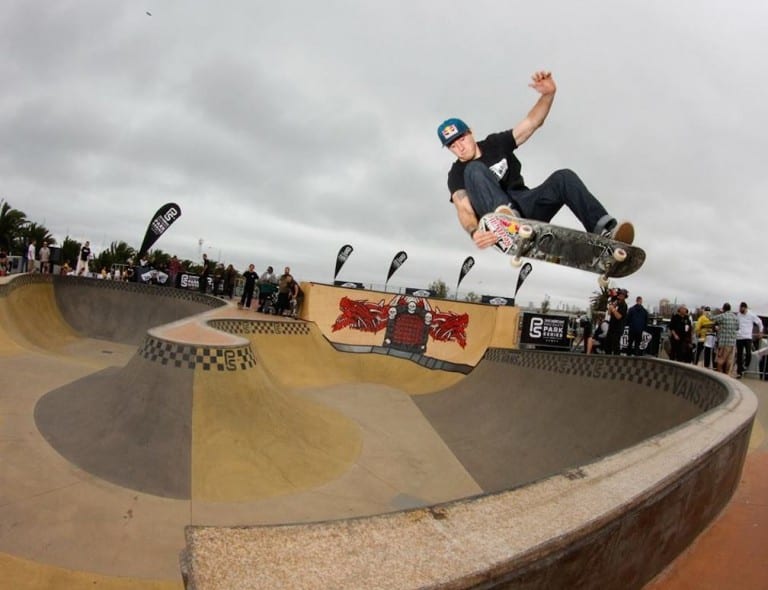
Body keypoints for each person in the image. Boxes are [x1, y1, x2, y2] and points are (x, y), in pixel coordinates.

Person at [438, 70, 633, 250]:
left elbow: (532, 123)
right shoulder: (457, 173)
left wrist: (548, 95)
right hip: (495, 221)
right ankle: (507, 222)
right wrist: (474, 232)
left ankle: (606, 233)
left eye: (461, 139)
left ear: (470, 132)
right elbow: (463, 208)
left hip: (526, 209)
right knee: (473, 169)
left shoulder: (496, 143)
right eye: (453, 146)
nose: (460, 148)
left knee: (563, 177)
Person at [735, 302, 763, 379]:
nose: (740, 310)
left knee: (748, 353)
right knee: (739, 355)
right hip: (739, 337)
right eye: (740, 309)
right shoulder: (738, 315)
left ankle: (745, 365)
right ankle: (739, 372)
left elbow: (759, 322)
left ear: (745, 308)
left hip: (747, 337)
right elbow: (736, 324)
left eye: (742, 309)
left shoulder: (751, 315)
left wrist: (760, 332)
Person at [712, 303, 739, 375]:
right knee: (729, 362)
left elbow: (712, 318)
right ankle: (727, 375)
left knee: (720, 361)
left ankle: (720, 376)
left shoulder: (723, 316)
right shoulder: (735, 317)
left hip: (724, 342)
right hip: (732, 343)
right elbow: (737, 327)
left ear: (723, 309)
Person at [604, 288, 628, 355]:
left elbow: (619, 317)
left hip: (618, 329)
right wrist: (611, 307)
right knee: (607, 344)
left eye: (622, 294)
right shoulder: (616, 302)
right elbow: (609, 313)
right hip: (611, 327)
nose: (620, 295)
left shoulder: (624, 305)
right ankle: (607, 358)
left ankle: (616, 360)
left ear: (624, 296)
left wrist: (613, 309)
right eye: (619, 294)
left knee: (615, 346)